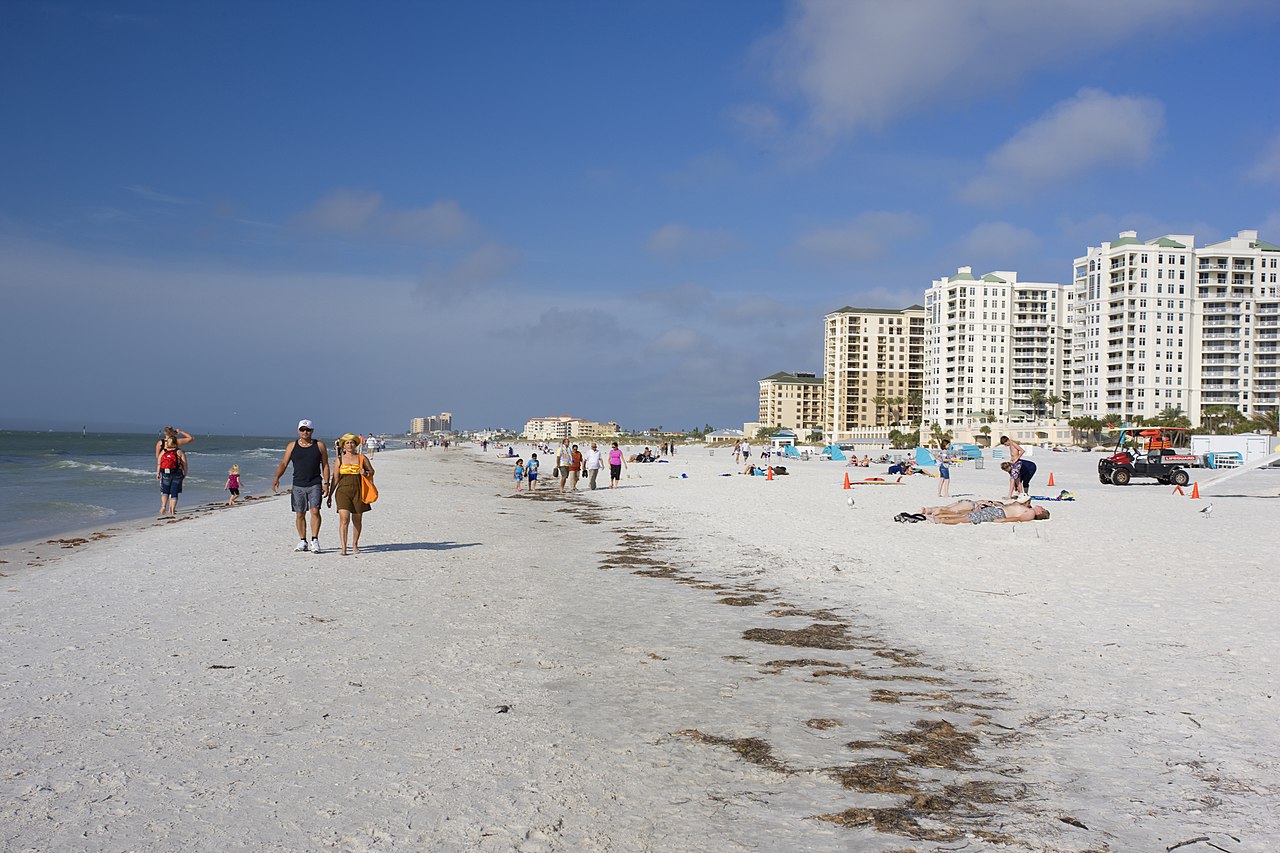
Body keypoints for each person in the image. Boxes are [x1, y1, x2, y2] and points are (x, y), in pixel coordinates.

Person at [271, 419, 331, 553]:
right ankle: (303, 540)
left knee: (315, 511)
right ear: (298, 431)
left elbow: (325, 465)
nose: (305, 432)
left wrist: (326, 483)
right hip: (298, 484)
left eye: (308, 430)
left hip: (315, 482)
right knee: (300, 513)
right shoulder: (292, 446)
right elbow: (283, 463)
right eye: (302, 429)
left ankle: (314, 540)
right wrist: (277, 477)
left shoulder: (319, 445)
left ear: (312, 431)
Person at [326, 433, 373, 556]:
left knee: (357, 519)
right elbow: (335, 479)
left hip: (359, 491)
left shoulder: (362, 458)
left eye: (352, 442)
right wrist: (330, 495)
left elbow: (372, 471)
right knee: (344, 519)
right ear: (343, 445)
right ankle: (343, 547)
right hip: (343, 492)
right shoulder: (339, 460)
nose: (350, 444)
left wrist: (365, 472)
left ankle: (355, 544)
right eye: (347, 443)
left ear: (355, 444)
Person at [925, 500, 1050, 525]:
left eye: (1042, 509)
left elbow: (1018, 519)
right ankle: (939, 515)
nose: (1040, 507)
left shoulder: (1030, 513)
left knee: (969, 518)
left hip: (999, 514)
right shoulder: (1029, 508)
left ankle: (939, 520)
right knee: (967, 514)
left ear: (1040, 513)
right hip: (998, 510)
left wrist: (1003, 520)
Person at [155, 436, 188, 517]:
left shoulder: (163, 451)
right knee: (174, 492)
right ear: (176, 443)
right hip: (177, 473)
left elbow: (159, 463)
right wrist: (185, 473)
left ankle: (163, 506)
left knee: (165, 491)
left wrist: (158, 473)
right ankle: (172, 510)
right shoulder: (179, 452)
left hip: (165, 473)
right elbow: (184, 464)